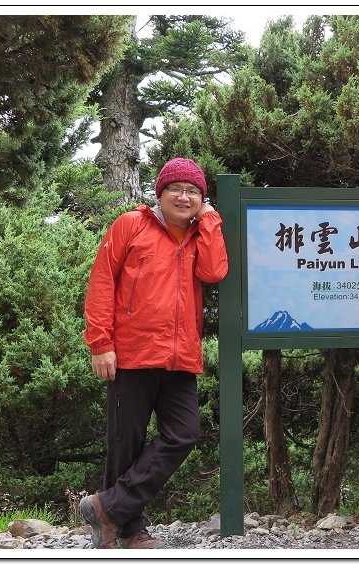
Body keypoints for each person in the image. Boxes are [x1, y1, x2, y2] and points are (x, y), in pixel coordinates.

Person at [79, 157, 229, 549]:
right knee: (124, 442)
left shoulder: (200, 235)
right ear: (159, 193)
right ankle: (128, 531)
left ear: (203, 199)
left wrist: (210, 221)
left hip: (180, 357)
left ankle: (107, 508)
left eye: (193, 191)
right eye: (176, 189)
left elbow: (214, 273)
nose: (184, 197)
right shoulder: (131, 224)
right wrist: (101, 343)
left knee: (184, 434)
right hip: (130, 352)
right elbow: (101, 283)